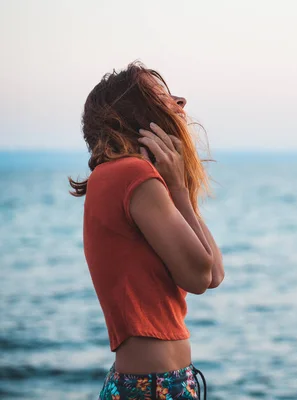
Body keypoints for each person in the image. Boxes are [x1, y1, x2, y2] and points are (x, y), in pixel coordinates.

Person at [69, 61, 224, 400]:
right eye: (162, 97)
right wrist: (180, 190)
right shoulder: (130, 174)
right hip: (154, 386)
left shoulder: (119, 176)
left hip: (154, 381)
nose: (179, 103)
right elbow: (199, 277)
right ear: (135, 115)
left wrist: (178, 188)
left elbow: (214, 274)